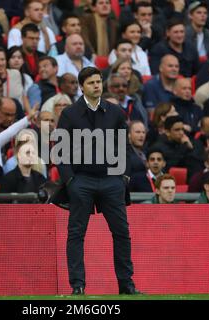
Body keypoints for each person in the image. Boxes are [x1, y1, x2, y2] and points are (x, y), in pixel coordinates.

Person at [55, 66, 140, 295]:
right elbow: (60, 151)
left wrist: (123, 177)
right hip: (81, 180)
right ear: (82, 86)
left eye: (99, 81)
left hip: (112, 179)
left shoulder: (115, 112)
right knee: (76, 234)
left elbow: (125, 147)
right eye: (92, 82)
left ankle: (126, 284)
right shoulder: (69, 114)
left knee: (122, 232)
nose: (96, 85)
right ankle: (78, 286)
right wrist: (70, 181)